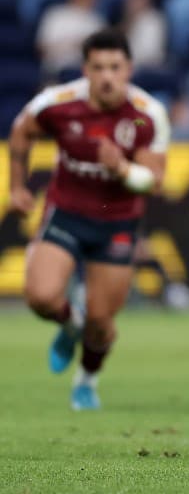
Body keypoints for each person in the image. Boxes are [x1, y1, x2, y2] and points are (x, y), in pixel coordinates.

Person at [7, 27, 170, 410]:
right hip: (66, 212)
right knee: (41, 298)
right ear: (86, 69)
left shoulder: (147, 115)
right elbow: (20, 132)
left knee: (101, 323)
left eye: (115, 67)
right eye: (98, 67)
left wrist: (122, 171)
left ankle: (86, 381)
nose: (107, 76)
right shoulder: (58, 103)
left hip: (118, 224)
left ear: (128, 68)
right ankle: (69, 325)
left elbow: (154, 181)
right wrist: (17, 187)